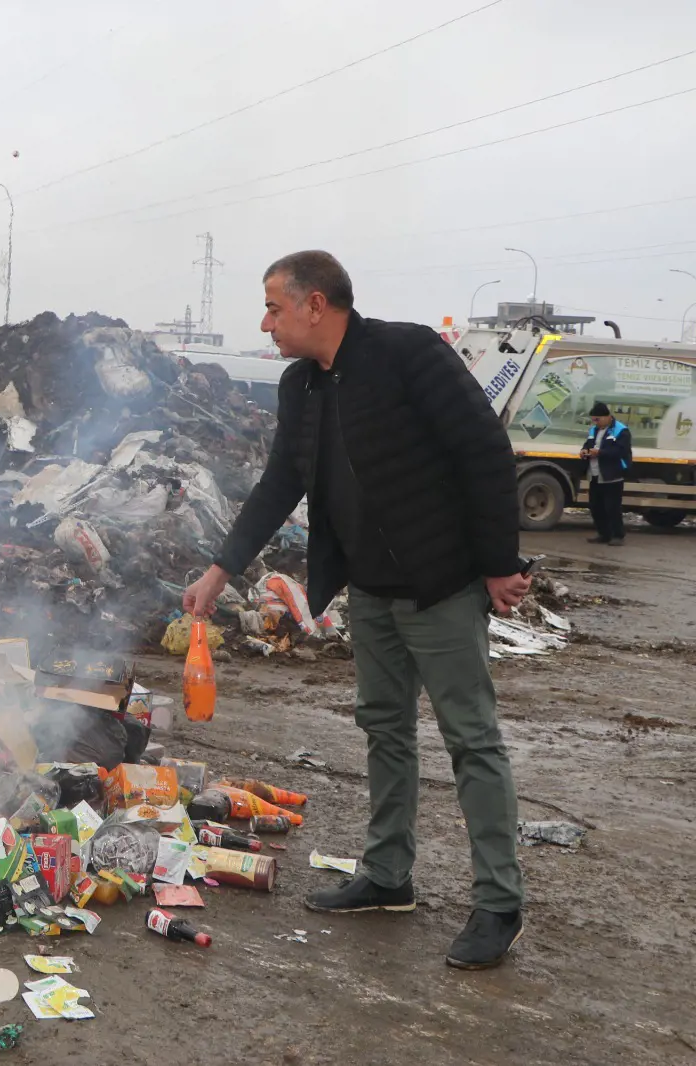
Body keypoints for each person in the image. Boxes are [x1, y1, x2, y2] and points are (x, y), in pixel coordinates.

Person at [181, 250, 532, 970]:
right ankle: (388, 875)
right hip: (369, 591)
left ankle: (498, 902)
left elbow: (483, 451)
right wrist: (222, 568)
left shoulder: (407, 354)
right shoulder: (299, 386)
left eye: (275, 307)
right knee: (385, 731)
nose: (266, 323)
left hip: (440, 586)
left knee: (470, 739)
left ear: (316, 304)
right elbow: (281, 479)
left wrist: (499, 563)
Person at [581, 401, 631, 545]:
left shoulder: (621, 430)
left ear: (607, 417)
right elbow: (588, 444)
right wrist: (584, 451)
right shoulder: (594, 430)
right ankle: (604, 534)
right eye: (593, 420)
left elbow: (620, 451)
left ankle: (618, 536)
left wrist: (600, 452)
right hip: (595, 474)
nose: (595, 422)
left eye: (597, 419)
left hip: (612, 475)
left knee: (612, 507)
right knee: (596, 507)